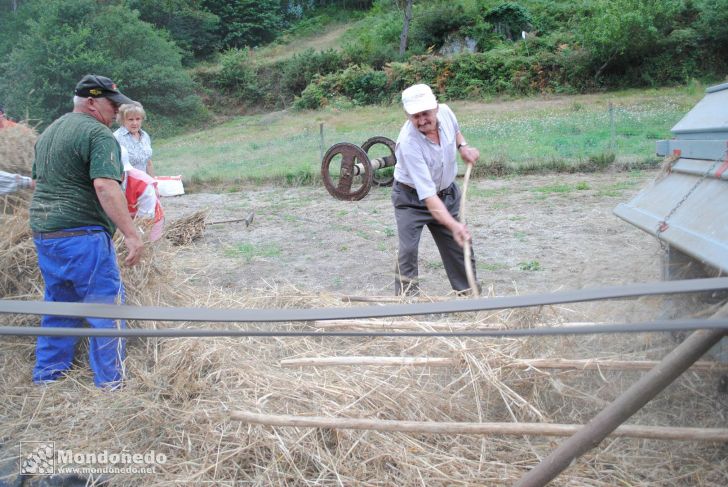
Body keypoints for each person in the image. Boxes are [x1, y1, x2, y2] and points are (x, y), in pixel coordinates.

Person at [29, 74, 144, 389]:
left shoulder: (49, 133)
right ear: (92, 102)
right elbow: (105, 185)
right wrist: (132, 234)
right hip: (82, 236)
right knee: (103, 307)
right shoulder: (98, 134)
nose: (116, 113)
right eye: (112, 105)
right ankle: (110, 383)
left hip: (45, 235)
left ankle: (47, 378)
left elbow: (38, 184)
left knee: (59, 306)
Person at [392, 84, 480, 295]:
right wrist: (454, 225)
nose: (422, 121)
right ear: (407, 115)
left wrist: (463, 147)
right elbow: (428, 196)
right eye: (415, 116)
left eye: (425, 113)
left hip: (447, 194)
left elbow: (456, 132)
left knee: (460, 247)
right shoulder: (408, 143)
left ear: (436, 108)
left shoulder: (447, 113)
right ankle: (407, 303)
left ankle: (471, 296)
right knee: (408, 251)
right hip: (411, 200)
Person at [120, 145, 165, 241]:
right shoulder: (98, 183)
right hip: (123, 218)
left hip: (149, 219)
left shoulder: (142, 183)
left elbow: (146, 218)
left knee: (147, 245)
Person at [114, 102, 154, 177]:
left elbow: (148, 163)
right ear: (122, 120)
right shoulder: (116, 138)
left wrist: (153, 183)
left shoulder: (145, 135)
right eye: (130, 119)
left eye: (138, 119)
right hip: (126, 185)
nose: (135, 123)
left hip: (145, 183)